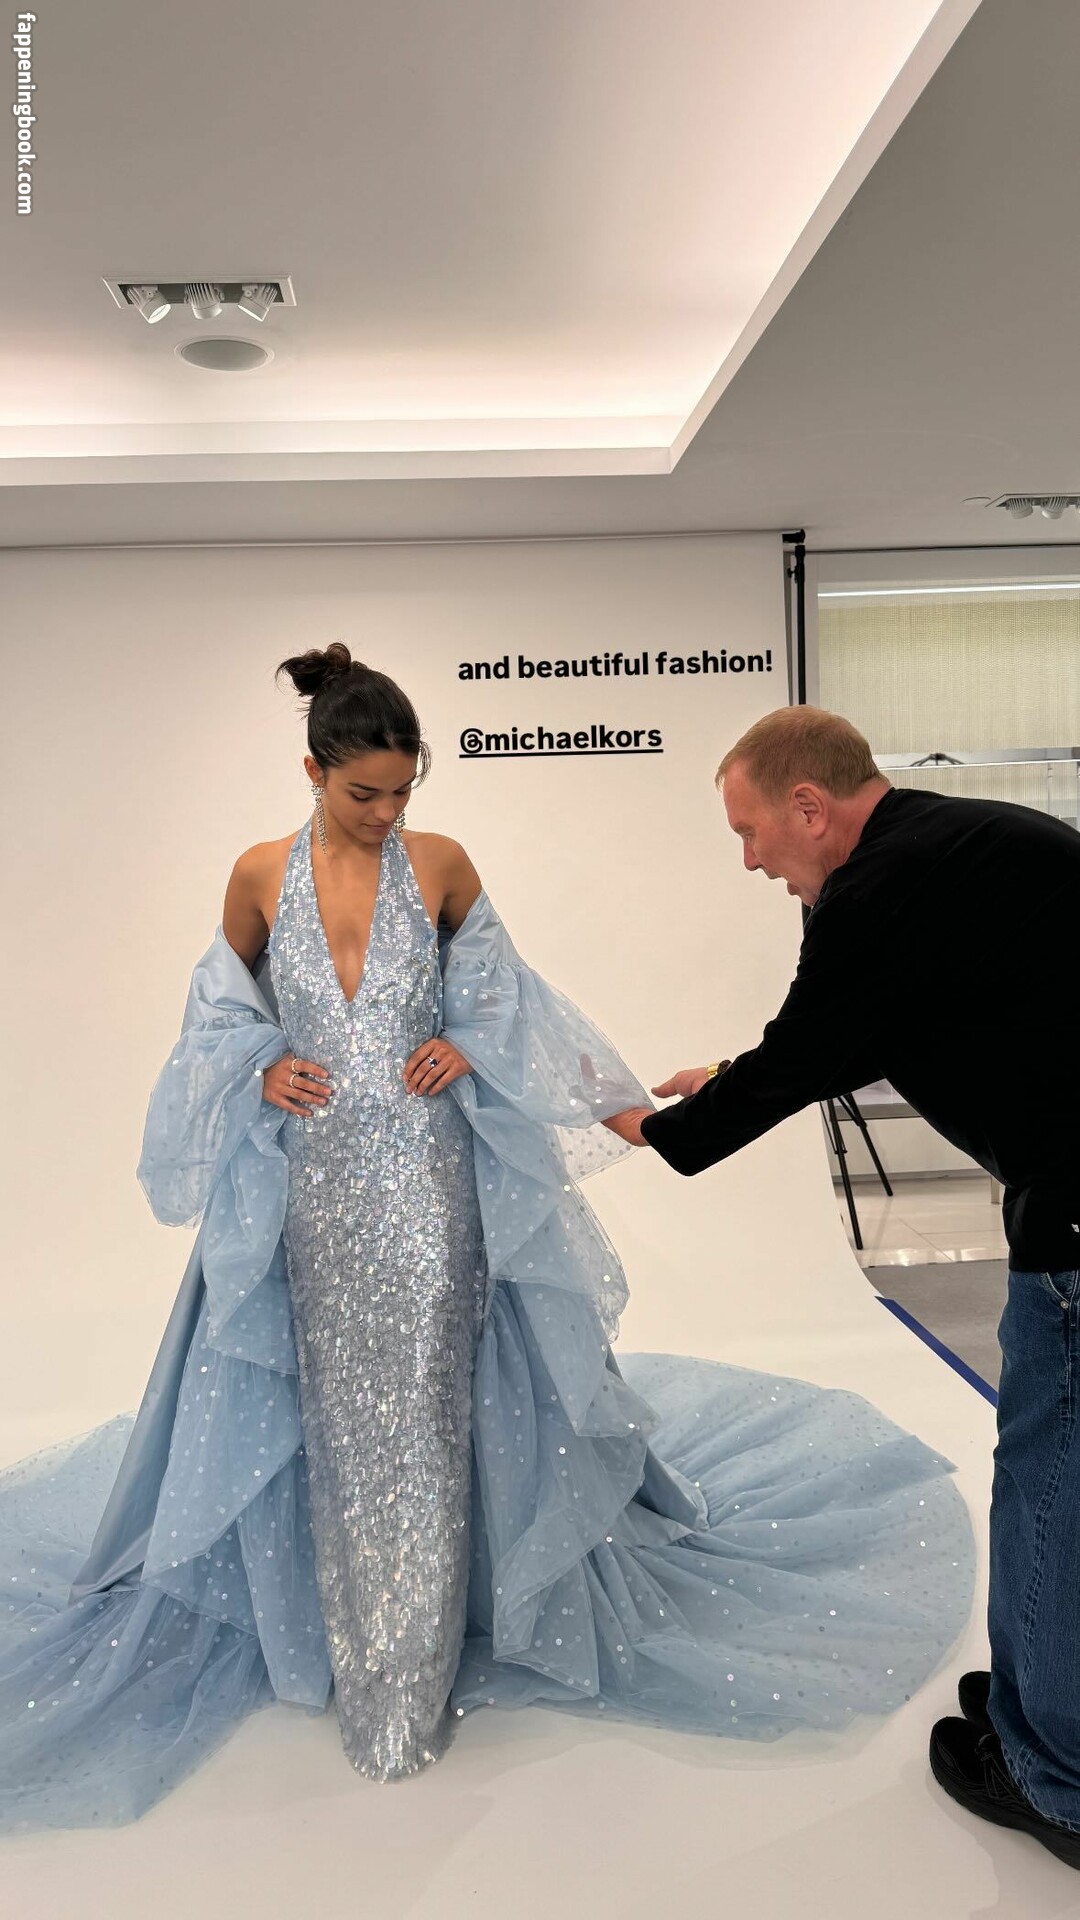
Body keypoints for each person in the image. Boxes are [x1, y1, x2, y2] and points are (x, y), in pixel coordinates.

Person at [0, 660, 973, 1832]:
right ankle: (341, 1627)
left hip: (430, 1183)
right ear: (312, 771)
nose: (386, 812)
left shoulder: (441, 865)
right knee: (331, 1405)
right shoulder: (258, 875)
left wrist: (472, 1044)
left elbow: (507, 998)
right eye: (363, 792)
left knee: (424, 1402)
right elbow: (216, 1016)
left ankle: (410, 1668)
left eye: (402, 790)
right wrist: (262, 1067)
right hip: (315, 1188)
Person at [606, 703, 1080, 1870]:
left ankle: (1055, 1780)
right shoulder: (956, 844)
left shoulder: (876, 891)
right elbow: (867, 1026)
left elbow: (813, 1046)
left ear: (810, 807)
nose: (751, 859)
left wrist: (656, 1130)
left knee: (1051, 1482)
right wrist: (732, 1071)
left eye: (751, 830)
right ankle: (1034, 1705)